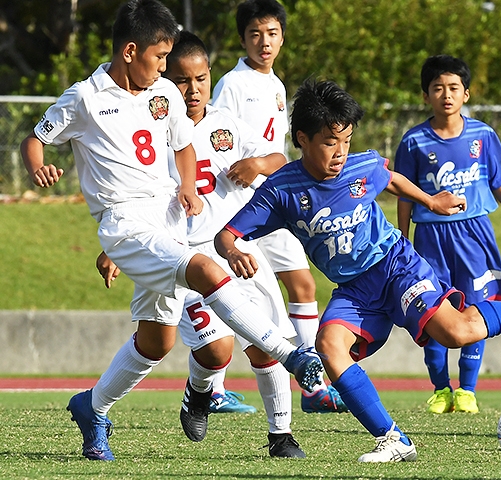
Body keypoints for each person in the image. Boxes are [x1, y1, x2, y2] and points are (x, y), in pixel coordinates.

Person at [213, 77, 501, 463]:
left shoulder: (360, 166)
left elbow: (391, 178)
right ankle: (393, 439)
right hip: (353, 290)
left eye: (346, 141)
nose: (340, 153)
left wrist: (430, 201)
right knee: (329, 347)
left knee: (457, 332)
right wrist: (232, 251)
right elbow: (226, 235)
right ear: (302, 138)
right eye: (330, 142)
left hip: (395, 266)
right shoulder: (280, 190)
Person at [20, 0, 322, 462]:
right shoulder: (86, 97)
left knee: (156, 341)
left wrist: (186, 187)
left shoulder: (161, 92)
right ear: (129, 52)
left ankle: (92, 407)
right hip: (123, 223)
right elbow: (36, 138)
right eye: (159, 57)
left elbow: (182, 144)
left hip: (169, 224)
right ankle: (291, 354)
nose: (165, 68)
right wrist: (39, 167)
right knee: (204, 268)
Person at [95, 30, 309, 458]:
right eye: (181, 80)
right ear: (162, 79)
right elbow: (128, 197)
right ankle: (200, 391)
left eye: (201, 79)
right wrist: (114, 248)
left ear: (211, 77)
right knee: (216, 350)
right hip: (183, 254)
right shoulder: (151, 135)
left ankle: (281, 436)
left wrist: (256, 163)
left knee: (266, 345)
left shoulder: (226, 123)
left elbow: (280, 159)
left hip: (238, 248)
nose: (192, 90)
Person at [210, 0, 346, 414]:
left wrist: (269, 164)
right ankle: (213, 389)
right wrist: (252, 165)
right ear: (242, 39)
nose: (264, 42)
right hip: (241, 204)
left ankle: (313, 385)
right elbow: (218, 141)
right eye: (255, 34)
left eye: (271, 34)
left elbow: (277, 151)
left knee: (303, 286)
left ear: (282, 37)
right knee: (227, 292)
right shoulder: (232, 84)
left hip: (278, 200)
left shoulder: (277, 85)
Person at [394, 54, 501, 415]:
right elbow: (406, 196)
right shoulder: (413, 142)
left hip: (474, 233)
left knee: (478, 307)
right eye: (438, 88)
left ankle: (468, 390)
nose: (446, 94)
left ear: (466, 94)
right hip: (430, 236)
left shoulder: (483, 135)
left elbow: (498, 181)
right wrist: (403, 238)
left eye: (453, 88)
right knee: (433, 310)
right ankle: (441, 390)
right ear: (426, 95)